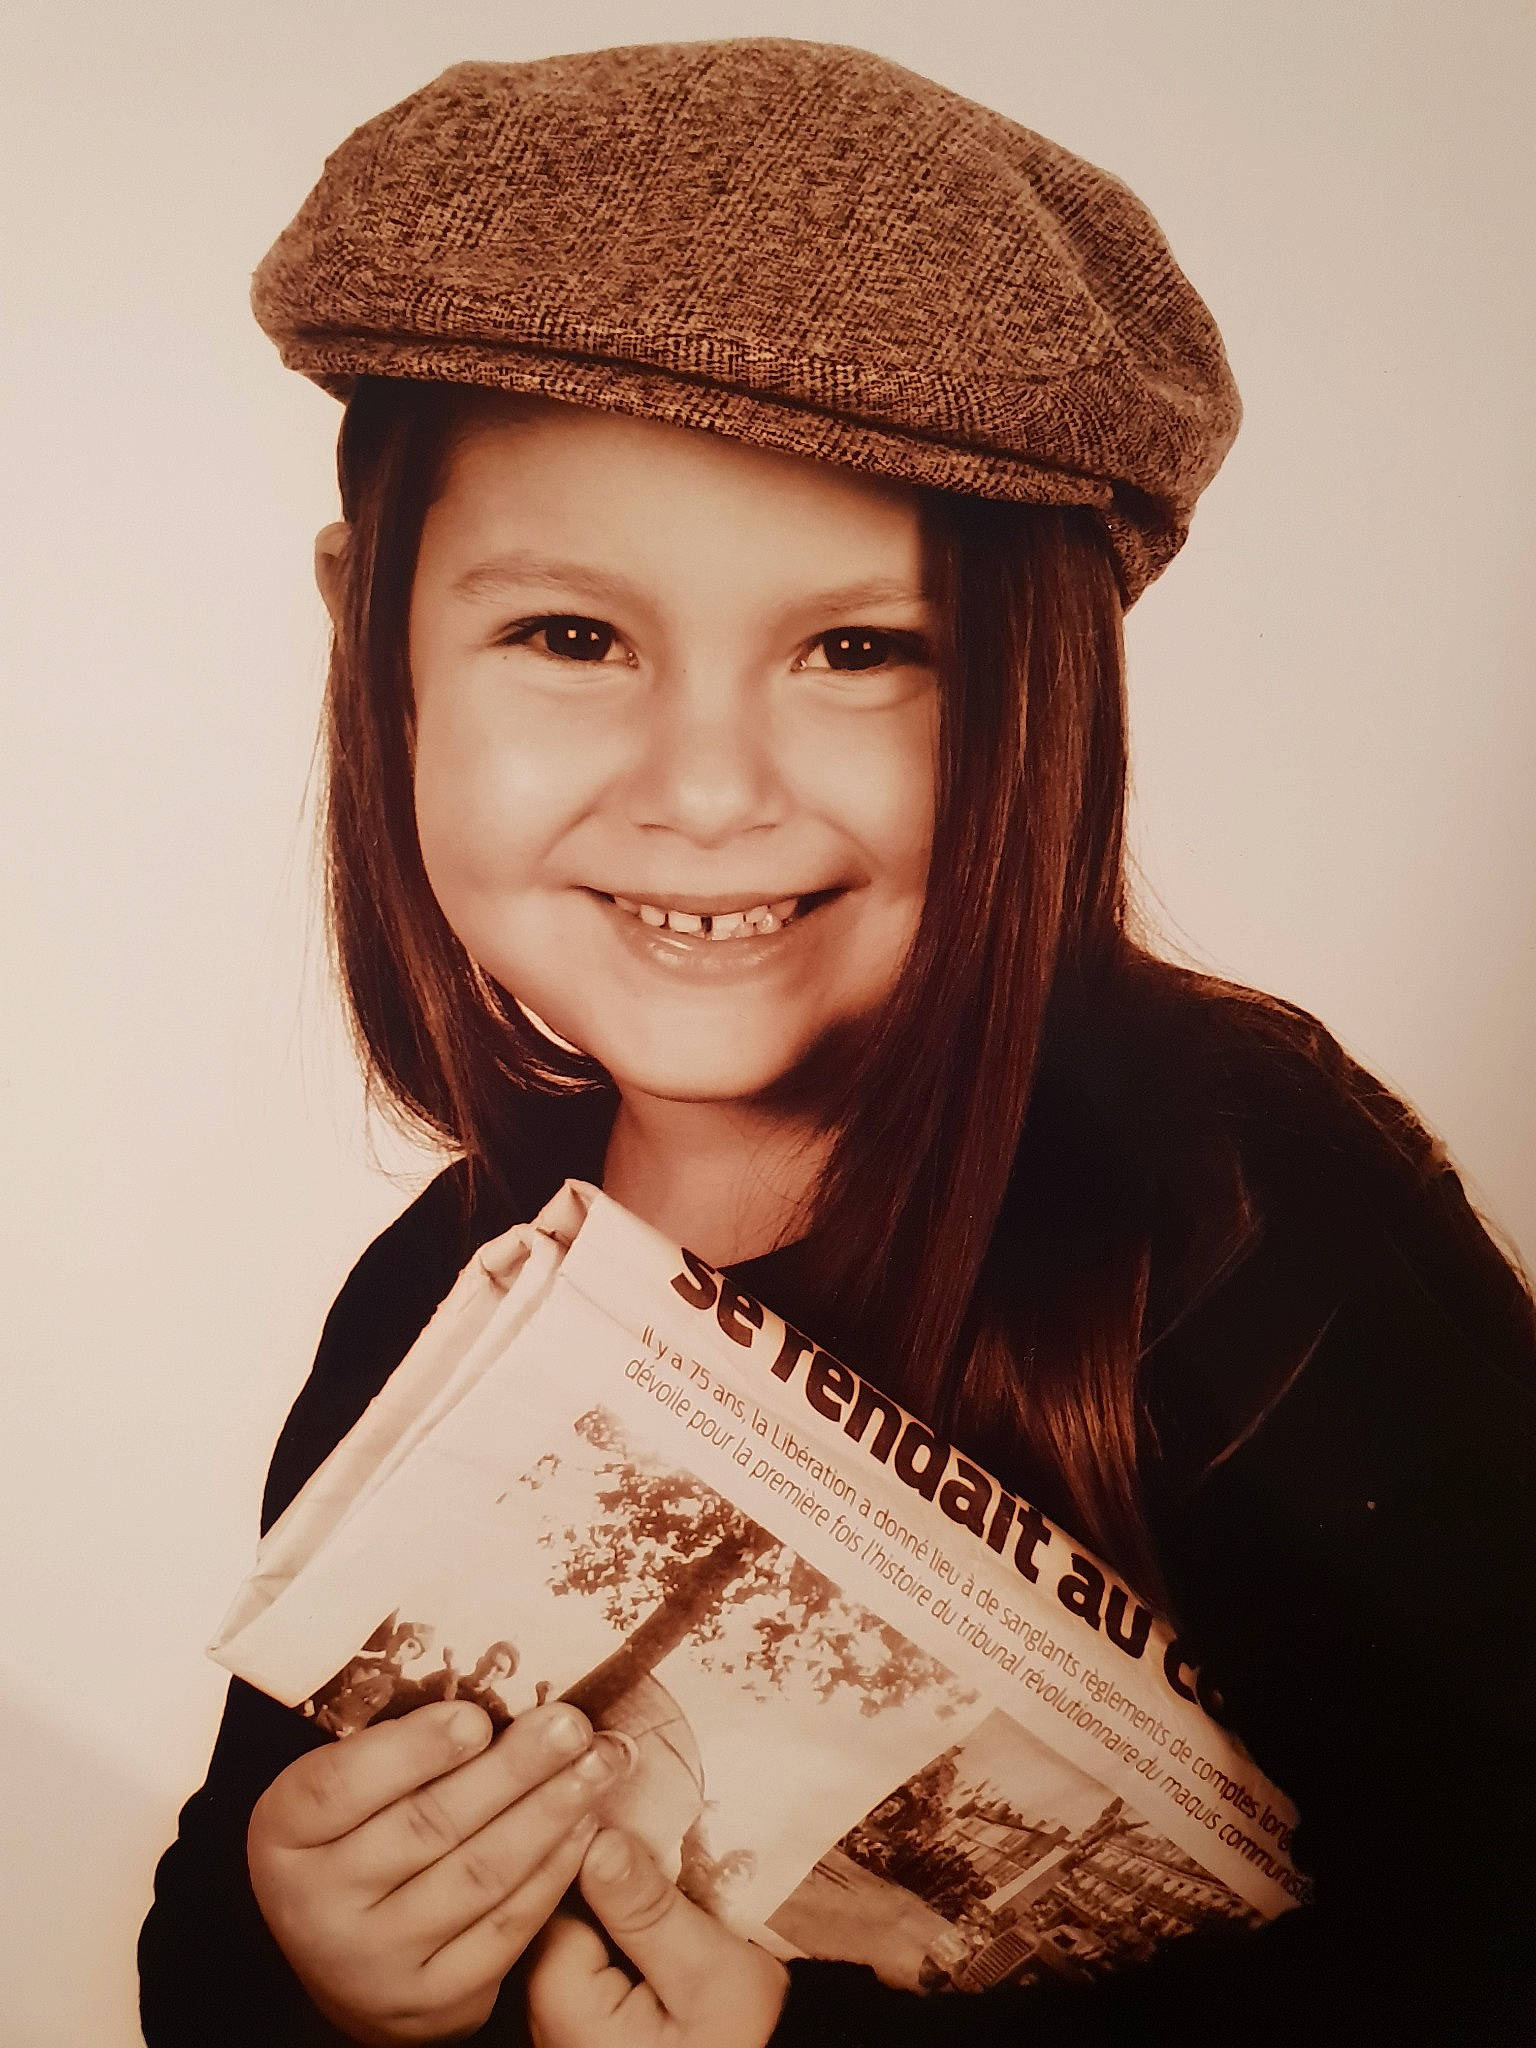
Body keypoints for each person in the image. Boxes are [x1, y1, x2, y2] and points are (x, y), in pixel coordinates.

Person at [137, 36, 1535, 2048]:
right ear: (376, 641)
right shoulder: (434, 1299)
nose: (709, 790)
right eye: (572, 636)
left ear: (1045, 696)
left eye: (860, 651)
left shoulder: (1239, 1200)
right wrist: (313, 1966)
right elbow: (204, 1950)